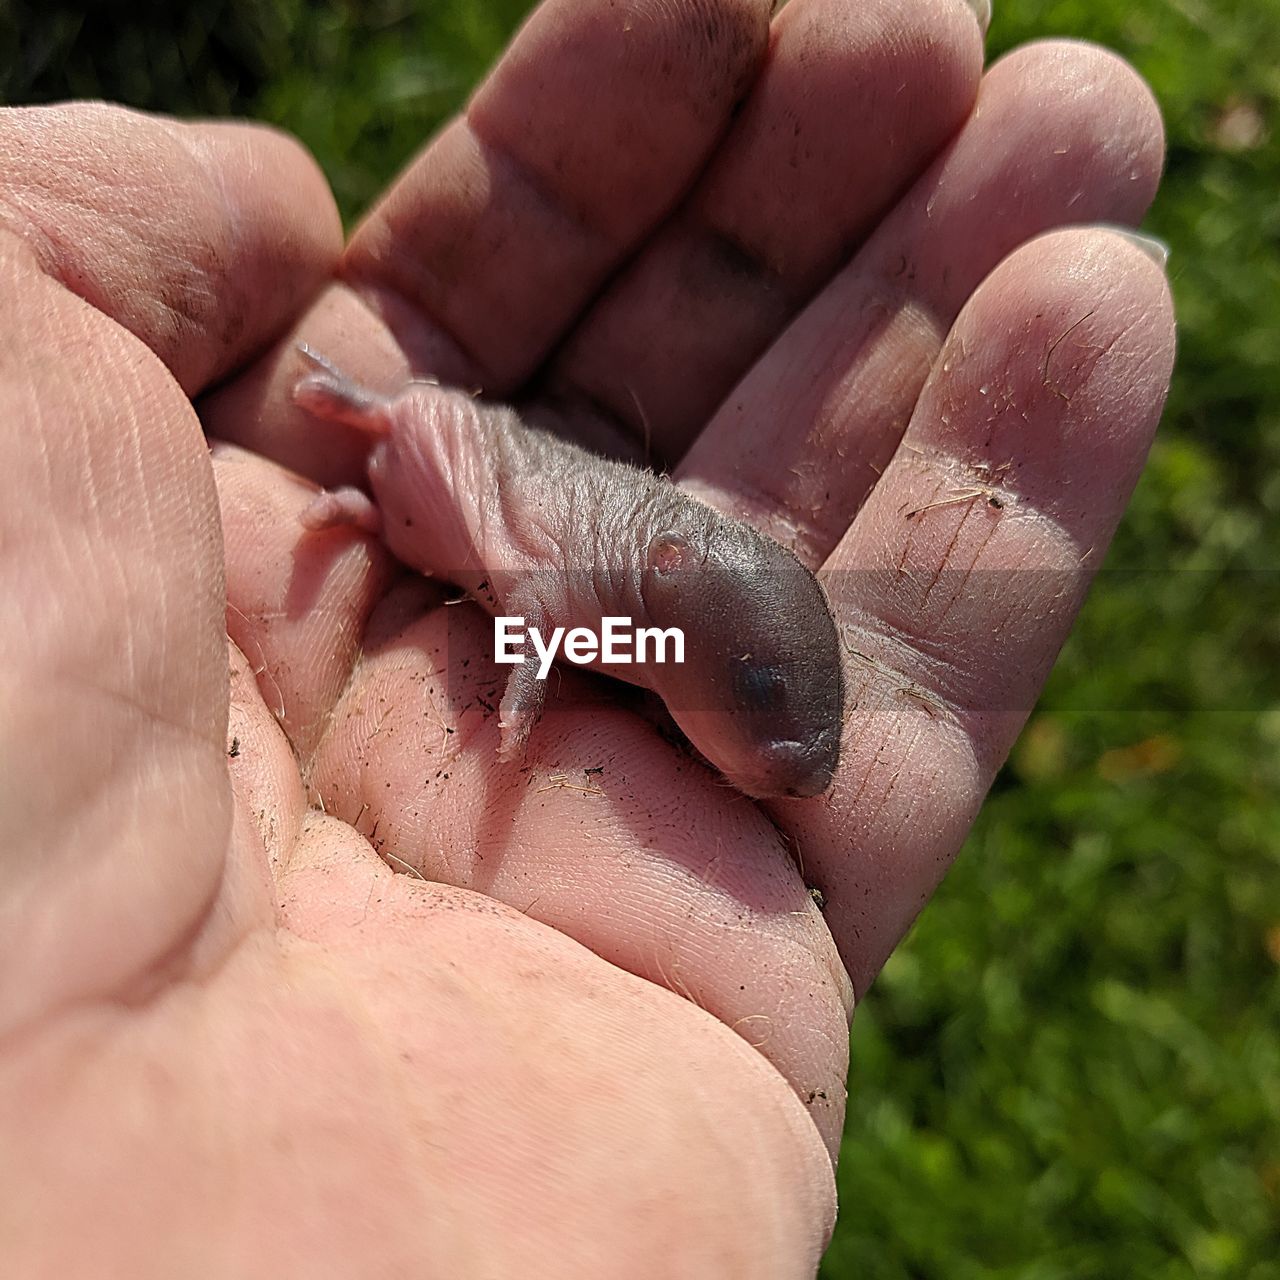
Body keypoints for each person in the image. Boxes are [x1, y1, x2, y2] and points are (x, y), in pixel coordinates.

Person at [0, 0, 1174, 1273]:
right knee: (428, 444)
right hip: (434, 458)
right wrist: (516, 693)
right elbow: (545, 605)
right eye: (766, 692)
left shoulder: (661, 603)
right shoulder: (624, 582)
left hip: (426, 509)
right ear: (669, 586)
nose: (795, 759)